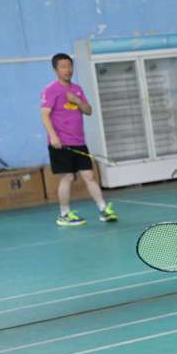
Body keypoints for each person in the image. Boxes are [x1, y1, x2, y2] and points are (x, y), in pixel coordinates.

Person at [40, 53, 117, 226]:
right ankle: (64, 214)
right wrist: (53, 136)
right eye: (63, 67)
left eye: (69, 66)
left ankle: (103, 210)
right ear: (55, 70)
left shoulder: (77, 89)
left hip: (79, 142)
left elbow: (88, 111)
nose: (67, 70)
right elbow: (44, 115)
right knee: (67, 177)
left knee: (89, 176)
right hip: (61, 143)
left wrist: (76, 100)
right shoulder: (51, 90)